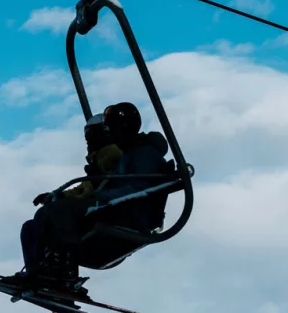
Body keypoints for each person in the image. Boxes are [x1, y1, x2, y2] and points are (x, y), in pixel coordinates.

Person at [17, 101, 178, 298]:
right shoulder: (127, 156)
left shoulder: (144, 154)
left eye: (111, 130)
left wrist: (100, 199)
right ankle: (38, 273)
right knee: (34, 224)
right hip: (115, 211)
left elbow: (136, 189)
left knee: (59, 211)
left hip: (129, 216)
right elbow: (100, 185)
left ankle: (64, 276)